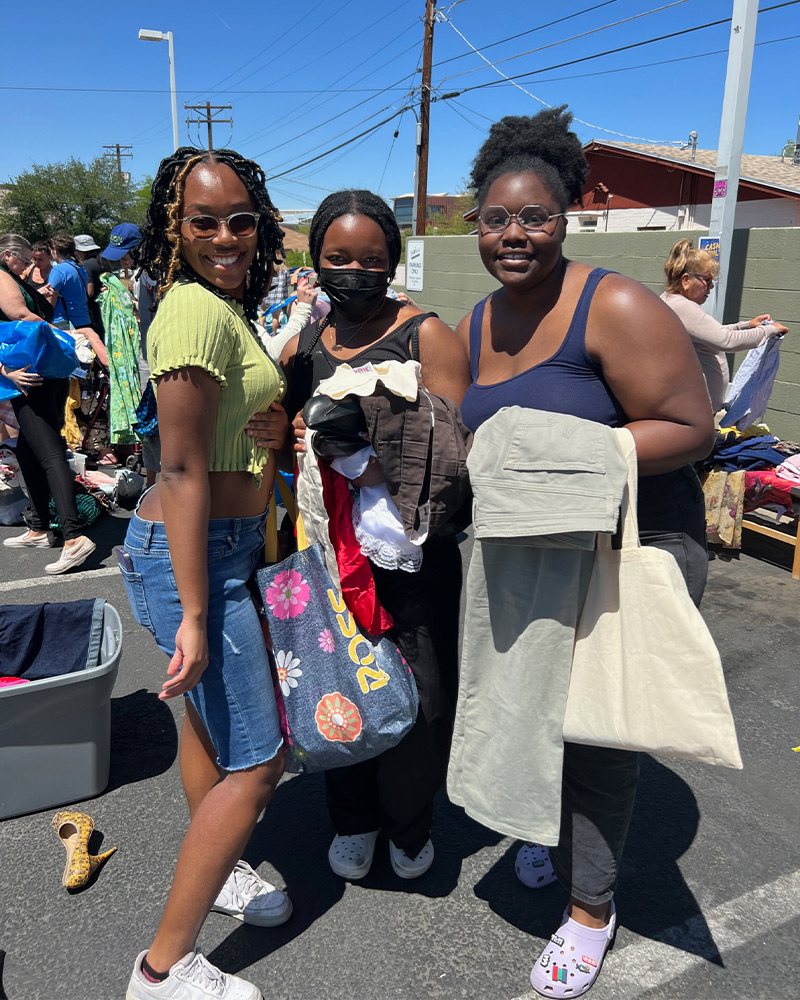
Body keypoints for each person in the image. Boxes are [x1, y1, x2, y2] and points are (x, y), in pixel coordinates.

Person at [449, 108, 715, 997]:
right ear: (475, 224)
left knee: (597, 728)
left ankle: (589, 913)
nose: (514, 235)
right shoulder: (478, 320)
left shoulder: (619, 303)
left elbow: (690, 427)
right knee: (531, 702)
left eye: (536, 217)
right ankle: (539, 826)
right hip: (538, 544)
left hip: (633, 544)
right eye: (497, 219)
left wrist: (554, 453)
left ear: (569, 216)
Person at [121, 148, 292, 1000]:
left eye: (240, 221)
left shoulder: (222, 305)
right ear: (173, 229)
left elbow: (219, 447)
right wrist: (194, 611)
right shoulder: (191, 312)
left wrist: (270, 442)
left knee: (203, 727)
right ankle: (163, 969)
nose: (225, 236)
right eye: (203, 221)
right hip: (197, 563)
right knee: (260, 762)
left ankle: (217, 870)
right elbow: (181, 471)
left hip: (213, 550)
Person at [274, 189, 469, 882]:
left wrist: (368, 457)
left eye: (372, 259)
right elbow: (279, 422)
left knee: (421, 697)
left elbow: (453, 460)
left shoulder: (428, 336)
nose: (354, 270)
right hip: (330, 553)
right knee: (340, 681)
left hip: (411, 559)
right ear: (316, 259)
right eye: (338, 258)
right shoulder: (308, 343)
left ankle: (410, 823)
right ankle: (353, 817)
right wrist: (289, 431)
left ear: (391, 262)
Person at [0, 233, 96, 573]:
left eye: (31, 260)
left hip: (31, 374)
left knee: (50, 451)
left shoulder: (8, 280)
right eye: (26, 260)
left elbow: (22, 318)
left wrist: (5, 371)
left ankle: (73, 537)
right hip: (42, 371)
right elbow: (25, 316)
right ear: (10, 256)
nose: (31, 266)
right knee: (27, 448)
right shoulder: (11, 280)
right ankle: (40, 526)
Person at [661, 238, 788, 414]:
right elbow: (726, 341)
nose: (711, 286)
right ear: (686, 280)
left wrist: (746, 326)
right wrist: (769, 330)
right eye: (707, 279)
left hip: (692, 406)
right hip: (692, 409)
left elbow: (713, 335)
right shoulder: (682, 307)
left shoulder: (674, 302)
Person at [73, 234, 105, 336]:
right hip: (104, 305)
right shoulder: (102, 262)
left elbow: (89, 292)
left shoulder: (87, 265)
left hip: (94, 308)